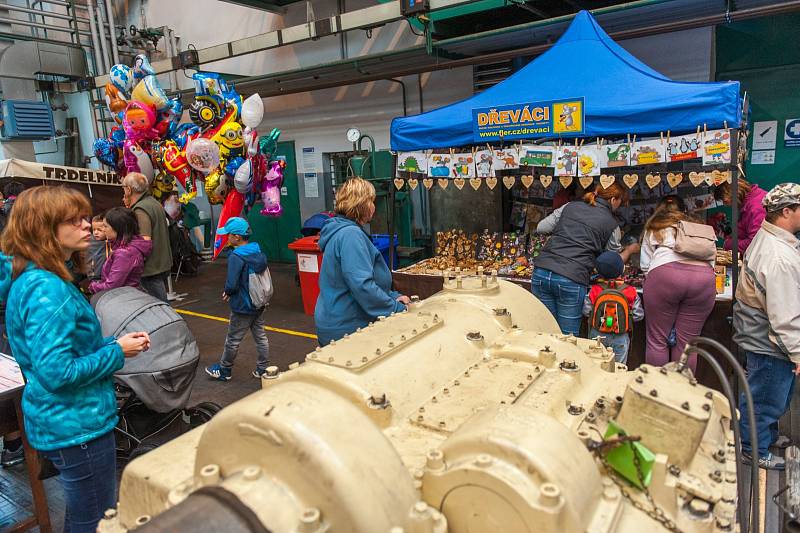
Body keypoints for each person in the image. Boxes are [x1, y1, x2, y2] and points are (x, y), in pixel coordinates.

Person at [0, 186, 150, 532]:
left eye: (86, 217)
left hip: (62, 423)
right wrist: (117, 352)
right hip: (77, 428)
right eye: (74, 220)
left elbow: (60, 353)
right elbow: (58, 371)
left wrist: (114, 343)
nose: (87, 225)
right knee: (93, 521)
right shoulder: (47, 289)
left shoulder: (33, 279)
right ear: (43, 228)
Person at [733, 183, 800, 470]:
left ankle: (765, 437)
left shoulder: (771, 237)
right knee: (764, 400)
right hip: (769, 340)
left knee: (769, 395)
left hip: (762, 335)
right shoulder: (779, 257)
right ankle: (752, 448)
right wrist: (797, 352)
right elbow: (784, 315)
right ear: (786, 211)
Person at [314, 177, 410, 346]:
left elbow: (362, 281)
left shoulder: (342, 230)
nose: (374, 206)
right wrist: (396, 309)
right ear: (361, 204)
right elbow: (362, 285)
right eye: (371, 201)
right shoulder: (350, 235)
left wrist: (393, 296)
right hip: (347, 329)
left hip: (337, 320)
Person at [533, 183, 637, 336]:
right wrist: (630, 250)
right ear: (614, 200)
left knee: (545, 331)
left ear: (596, 192)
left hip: (542, 271)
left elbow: (541, 227)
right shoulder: (612, 225)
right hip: (571, 277)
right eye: (620, 202)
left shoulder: (569, 206)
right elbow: (612, 262)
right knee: (568, 338)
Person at [640, 196, 715, 372]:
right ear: (684, 210)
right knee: (688, 344)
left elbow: (645, 265)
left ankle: (655, 392)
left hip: (665, 275)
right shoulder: (698, 227)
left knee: (657, 341)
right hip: (703, 278)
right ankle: (683, 393)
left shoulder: (655, 228)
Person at [205, 217, 271, 381]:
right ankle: (263, 369)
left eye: (228, 234)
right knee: (261, 337)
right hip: (258, 303)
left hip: (242, 305)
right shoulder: (256, 250)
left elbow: (232, 283)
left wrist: (227, 291)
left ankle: (224, 370)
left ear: (237, 237)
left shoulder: (236, 256)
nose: (226, 237)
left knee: (233, 340)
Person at [583, 251, 644, 364]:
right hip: (620, 337)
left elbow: (587, 311)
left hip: (597, 334)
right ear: (622, 270)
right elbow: (638, 316)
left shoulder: (594, 290)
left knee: (594, 363)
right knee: (618, 367)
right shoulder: (630, 291)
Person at [122, 172, 173, 302]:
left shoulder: (140, 209)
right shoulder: (153, 203)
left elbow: (144, 241)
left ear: (129, 189)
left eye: (123, 187)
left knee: (157, 308)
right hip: (160, 264)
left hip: (150, 269)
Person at [88, 207, 153, 294]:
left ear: (117, 228)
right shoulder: (125, 247)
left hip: (122, 298)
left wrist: (93, 286)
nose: (103, 229)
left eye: (105, 226)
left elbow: (111, 286)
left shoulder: (125, 253)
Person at [718, 178, 767, 255]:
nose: (725, 205)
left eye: (725, 201)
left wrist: (728, 244)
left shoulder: (756, 207)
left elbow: (754, 243)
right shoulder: (749, 201)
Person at [87, 213, 111, 282]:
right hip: (94, 275)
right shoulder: (90, 241)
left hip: (107, 276)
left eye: (99, 230)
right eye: (94, 230)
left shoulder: (111, 242)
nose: (96, 233)